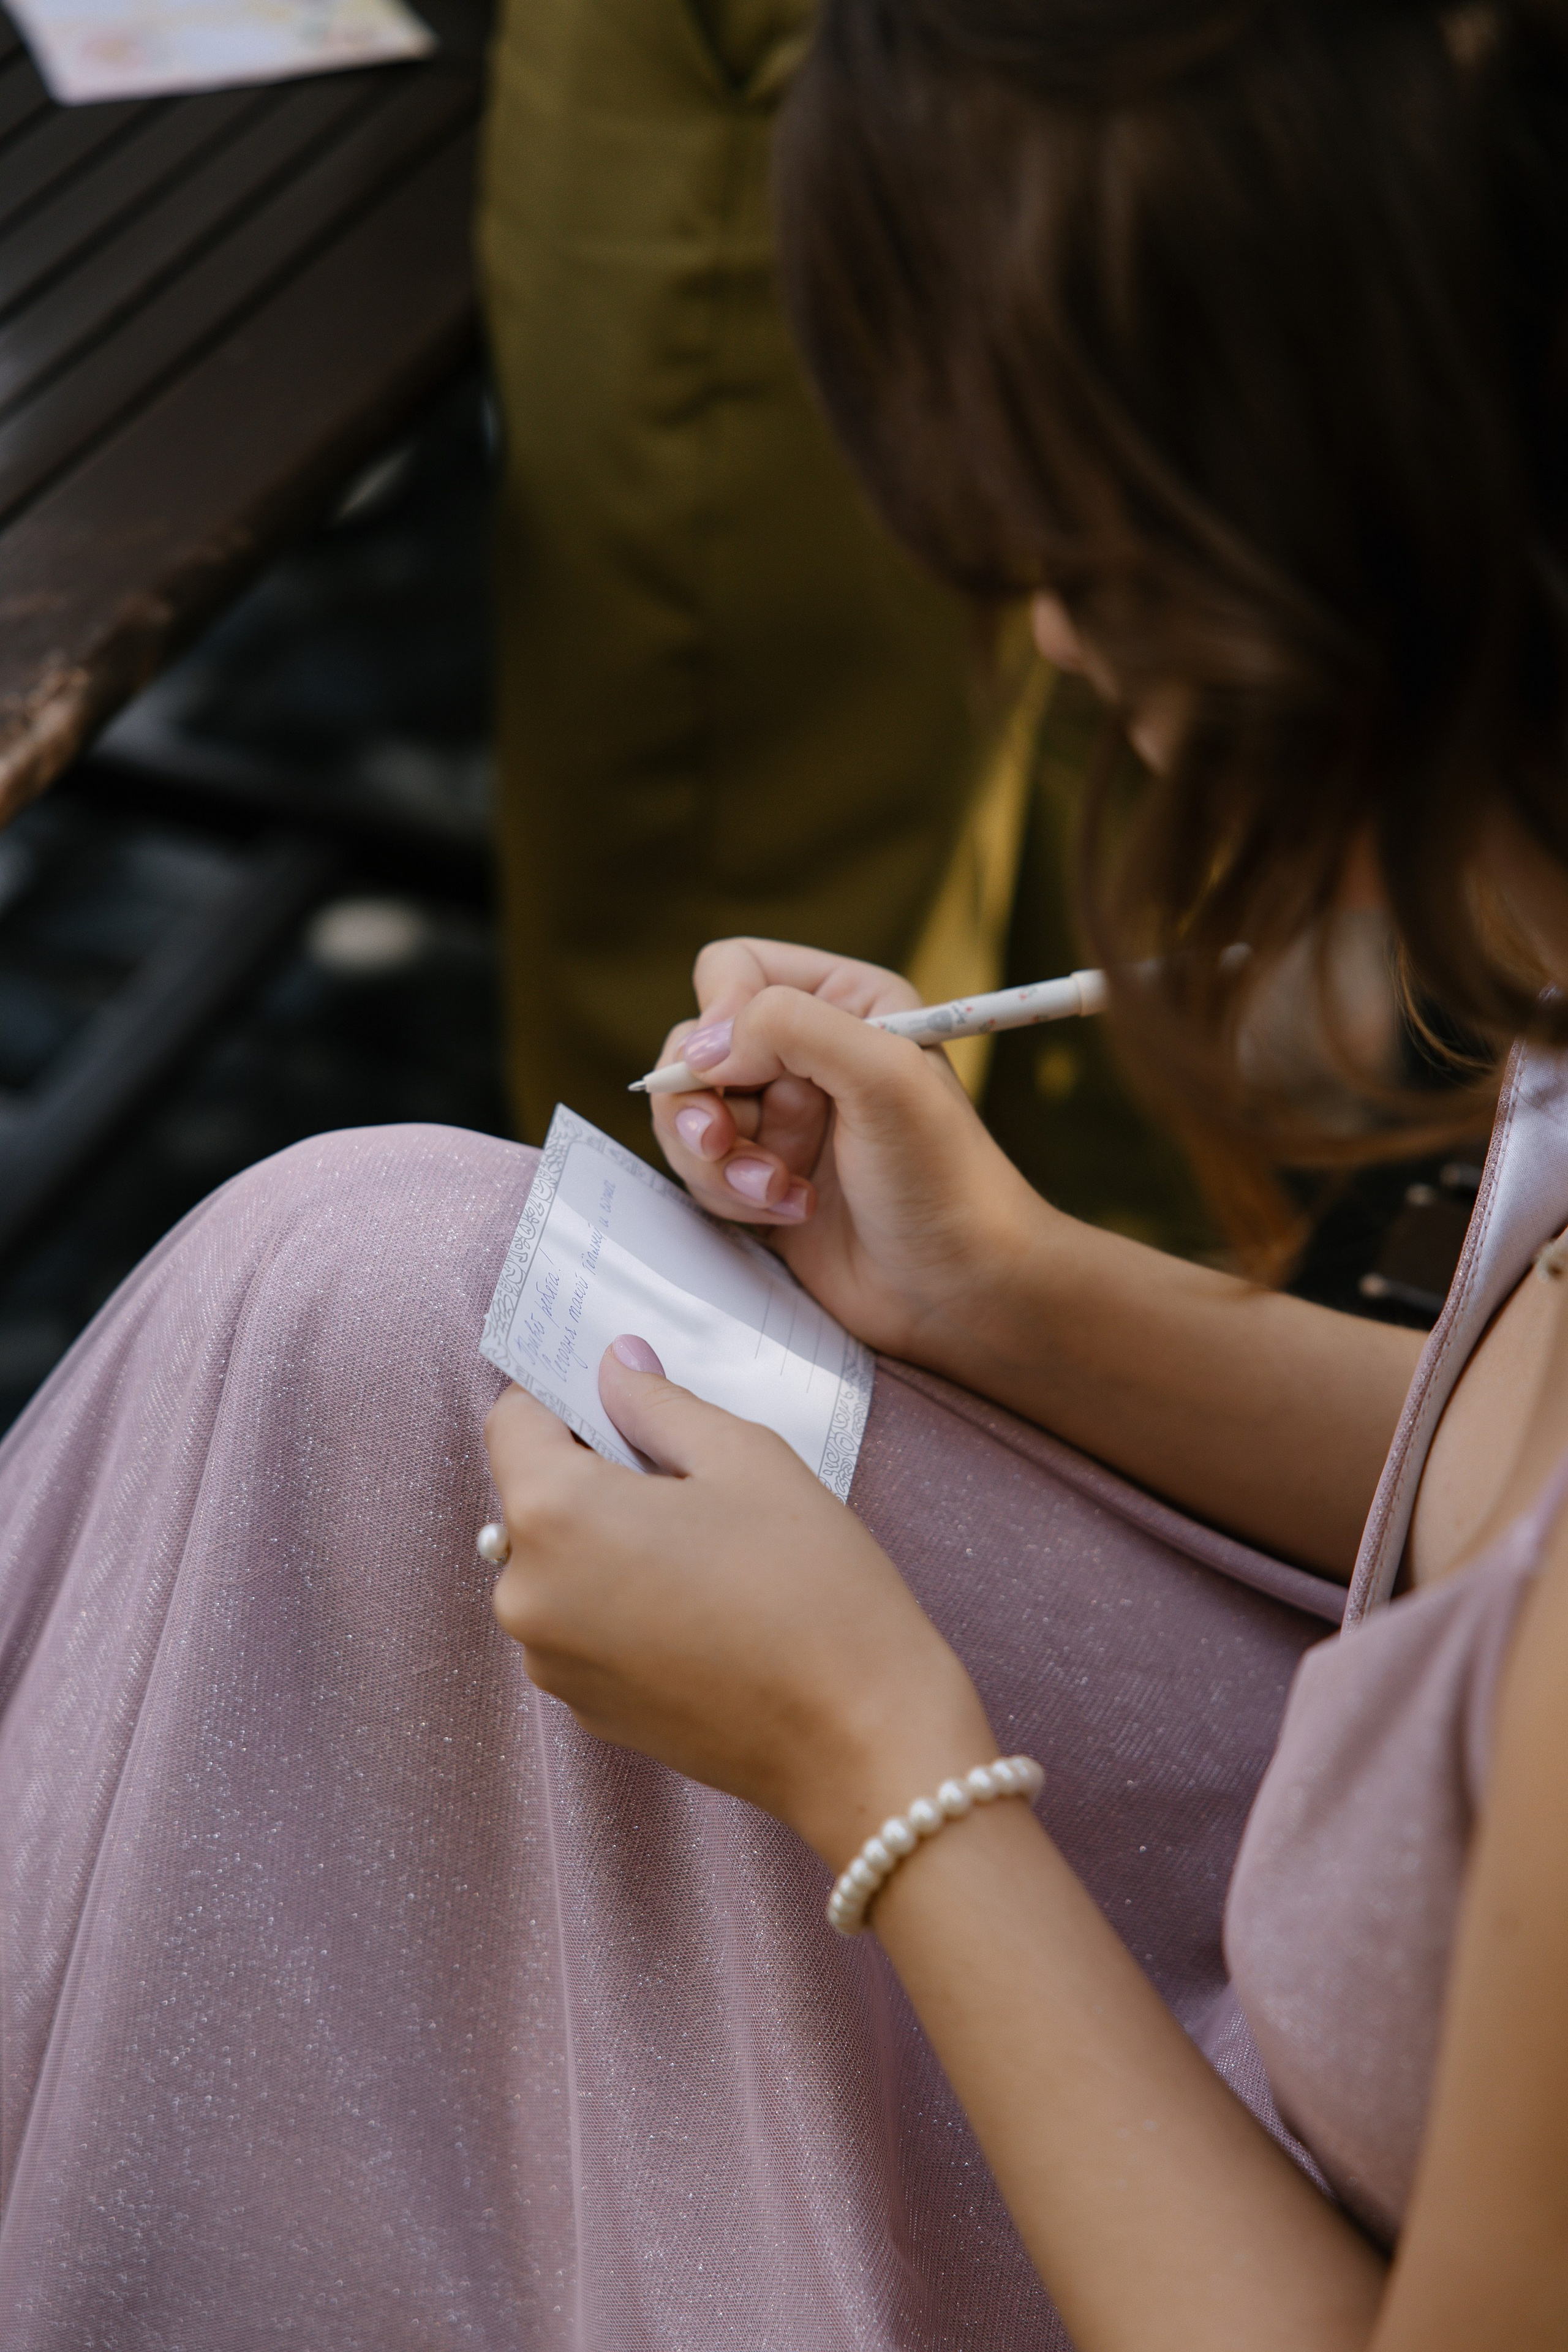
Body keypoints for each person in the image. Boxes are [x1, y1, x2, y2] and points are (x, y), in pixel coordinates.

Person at [2, 2, 1566, 2346]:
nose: (1048, 638)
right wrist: (1009, 1295)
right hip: (1341, 1937)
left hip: (1254, 2213)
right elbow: (1500, 1513)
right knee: (361, 1301)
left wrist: (880, 1762)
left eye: (1101, 546)